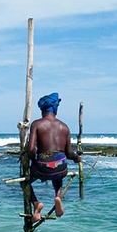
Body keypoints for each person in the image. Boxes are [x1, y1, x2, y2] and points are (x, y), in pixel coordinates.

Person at [27, 92, 81, 222]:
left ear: (42, 109)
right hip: (60, 166)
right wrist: (76, 158)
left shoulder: (37, 124)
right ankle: (58, 196)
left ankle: (36, 203)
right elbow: (69, 153)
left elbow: (31, 149)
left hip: (42, 166)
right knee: (58, 174)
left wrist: (34, 162)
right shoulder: (64, 127)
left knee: (26, 182)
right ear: (55, 108)